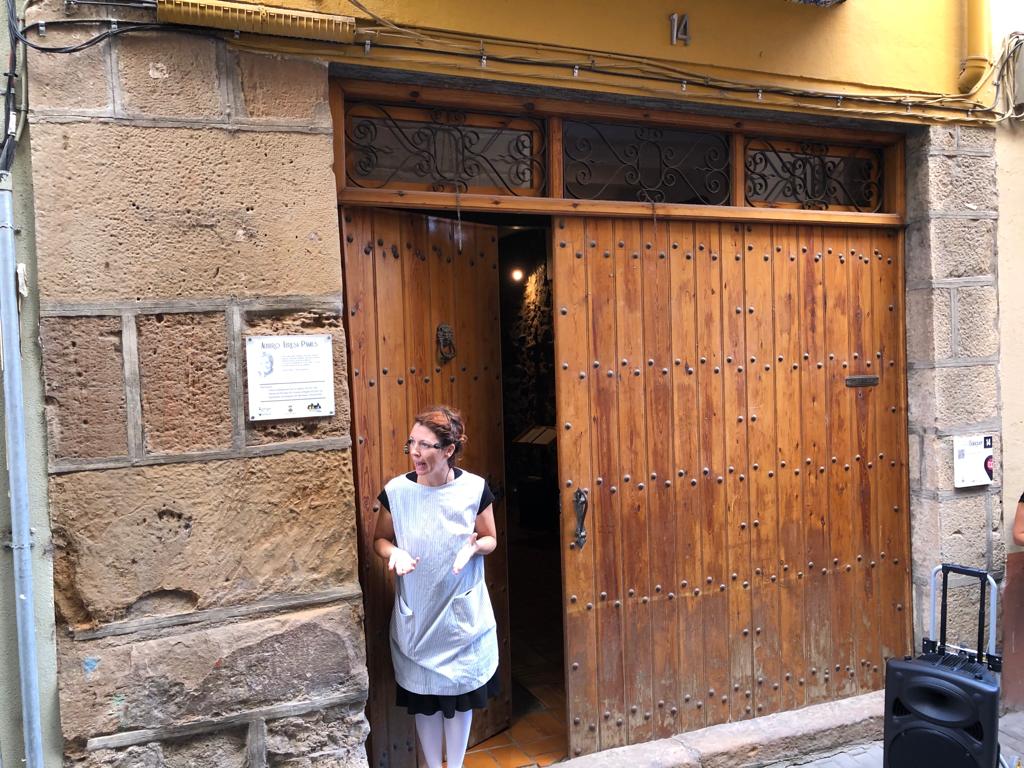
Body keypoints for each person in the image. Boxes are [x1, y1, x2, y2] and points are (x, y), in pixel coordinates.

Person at [373, 405, 500, 768]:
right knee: (424, 699)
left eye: (425, 445)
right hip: (419, 614)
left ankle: (455, 765)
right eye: (411, 443)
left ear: (449, 450)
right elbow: (380, 540)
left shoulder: (474, 489)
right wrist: (394, 553)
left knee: (459, 696)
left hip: (461, 616)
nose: (415, 452)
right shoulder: (397, 492)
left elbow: (490, 538)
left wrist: (474, 547)